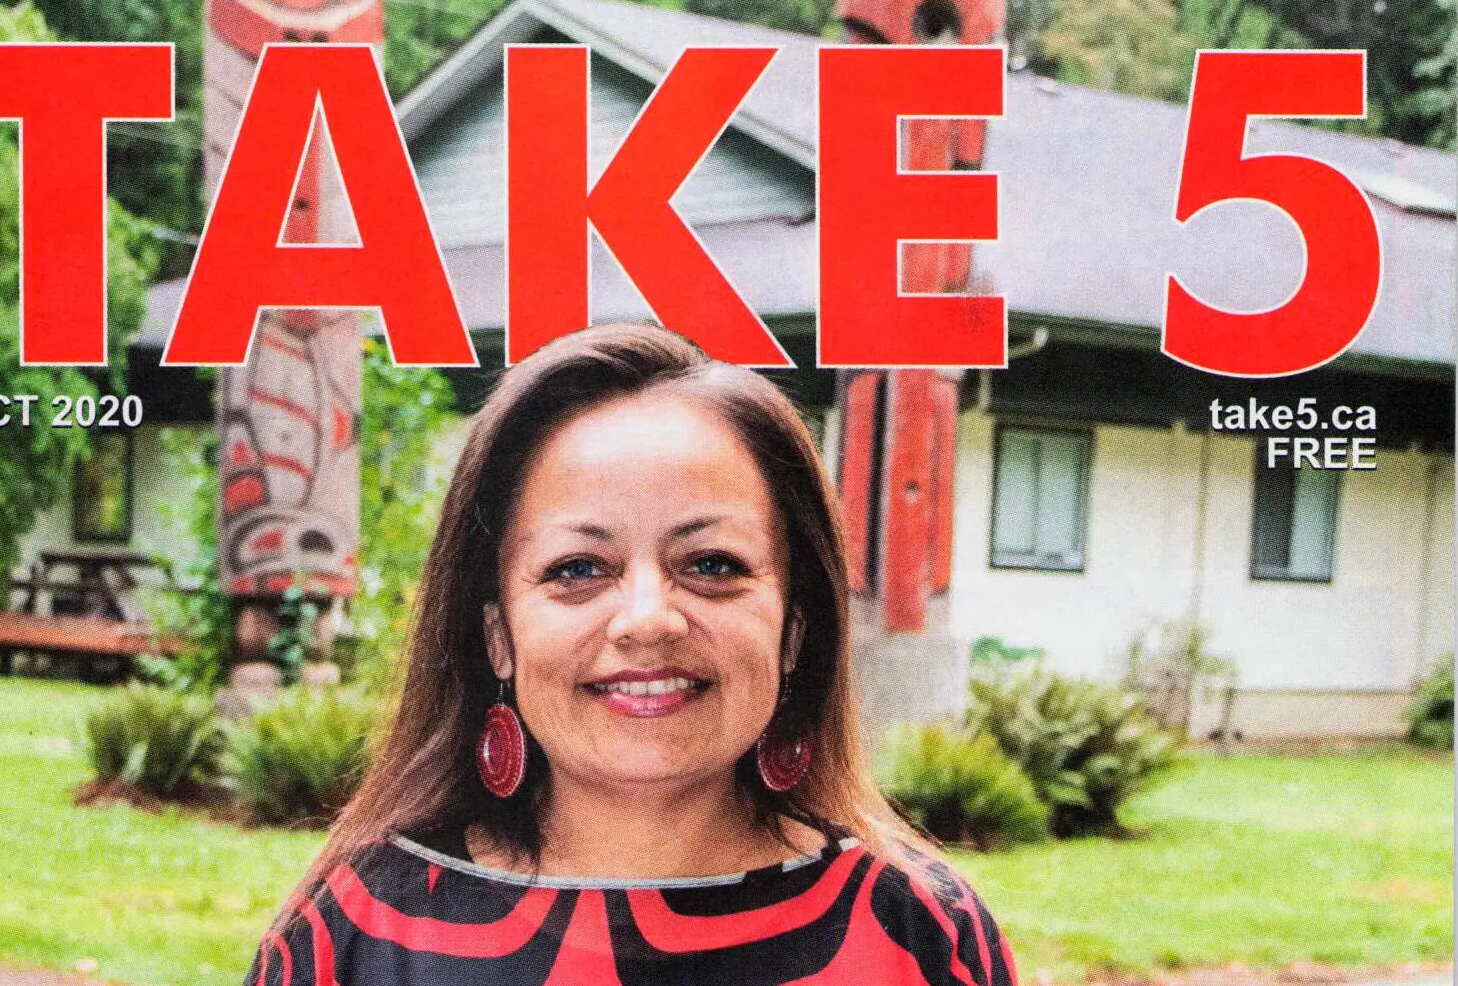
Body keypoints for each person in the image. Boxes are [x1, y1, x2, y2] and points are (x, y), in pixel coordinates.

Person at [247, 324, 1017, 985]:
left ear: (795, 630)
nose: (647, 619)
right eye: (577, 569)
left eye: (711, 564)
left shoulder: (922, 939)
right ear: (496, 636)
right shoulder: (351, 938)